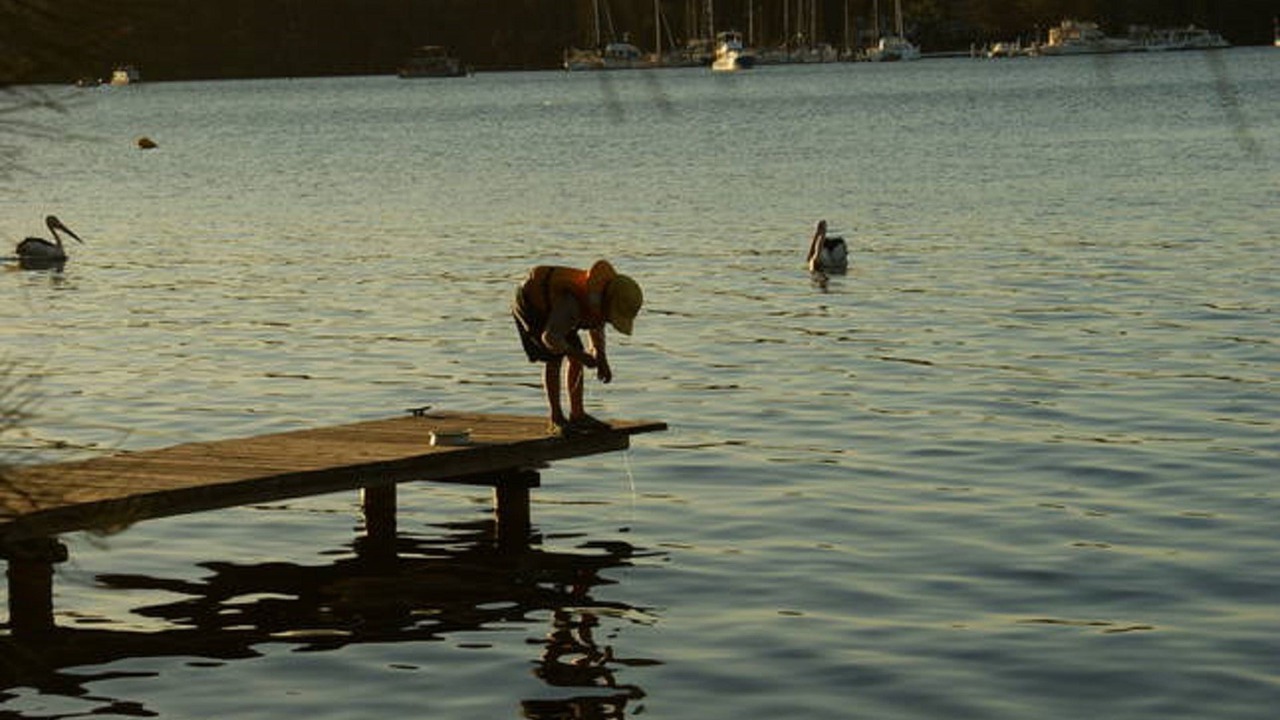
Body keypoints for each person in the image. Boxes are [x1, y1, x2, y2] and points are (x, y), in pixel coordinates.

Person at [513, 260, 644, 434]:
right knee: (554, 358)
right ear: (607, 303)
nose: (610, 319)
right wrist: (580, 355)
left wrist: (601, 356)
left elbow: (596, 325)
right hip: (532, 302)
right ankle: (556, 418)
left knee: (575, 355)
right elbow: (550, 338)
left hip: (557, 310)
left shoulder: (597, 298)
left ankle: (578, 414)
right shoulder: (572, 305)